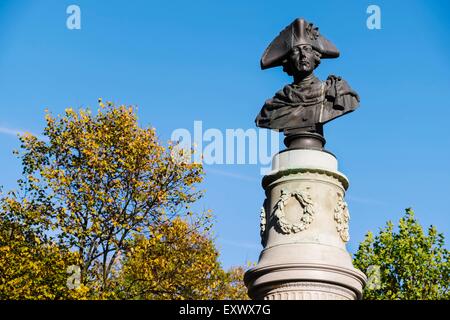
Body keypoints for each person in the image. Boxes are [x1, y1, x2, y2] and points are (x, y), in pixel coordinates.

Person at [255, 18, 360, 136]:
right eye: (296, 51)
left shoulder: (336, 91)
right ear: (287, 61)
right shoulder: (274, 106)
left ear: (315, 57)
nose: (303, 55)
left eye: (307, 49)